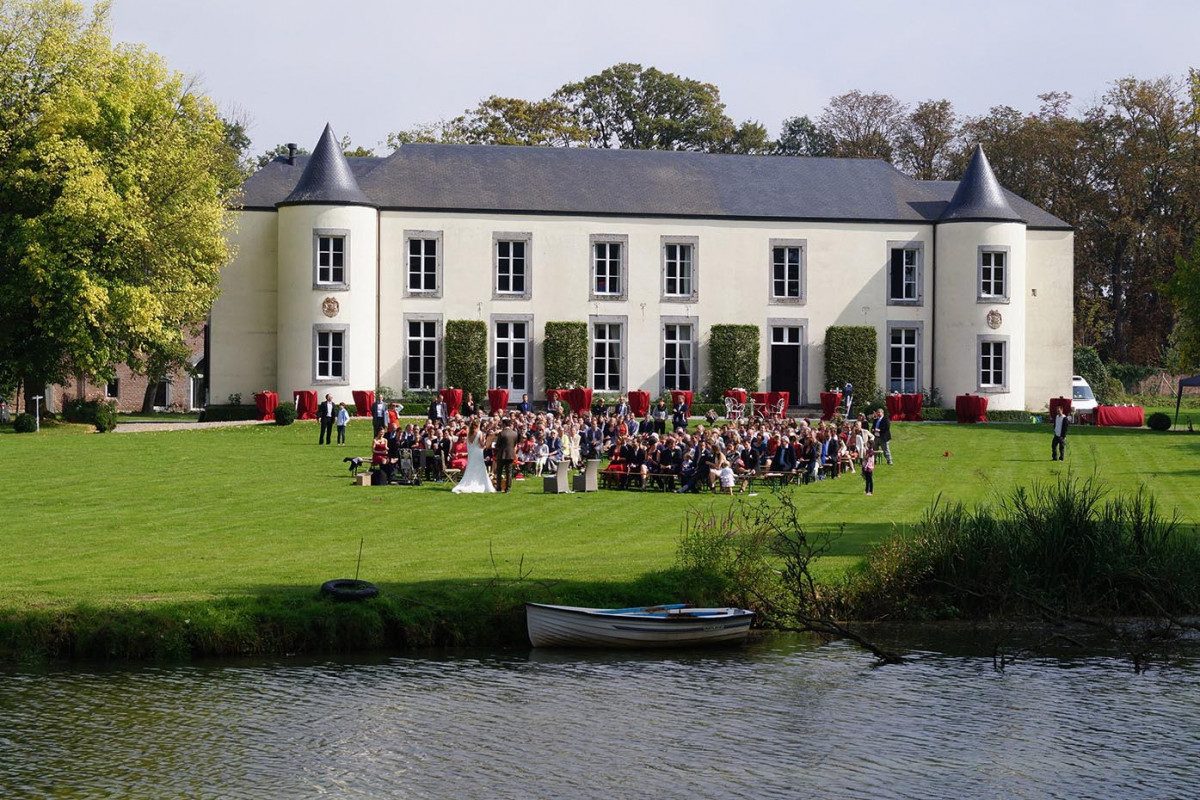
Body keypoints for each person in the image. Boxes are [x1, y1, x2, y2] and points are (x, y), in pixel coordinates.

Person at [453, 419, 497, 493]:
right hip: (478, 452)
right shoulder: (479, 433)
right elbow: (481, 445)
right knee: (480, 467)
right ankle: (480, 483)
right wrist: (488, 442)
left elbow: (469, 445)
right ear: (478, 425)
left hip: (471, 453)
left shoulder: (469, 434)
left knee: (471, 467)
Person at [492, 417, 520, 493]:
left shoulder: (501, 433)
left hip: (501, 454)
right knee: (509, 472)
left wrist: (495, 446)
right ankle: (508, 489)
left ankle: (498, 488)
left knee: (499, 471)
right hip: (510, 454)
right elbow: (514, 444)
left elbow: (498, 445)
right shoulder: (514, 433)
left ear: (504, 424)